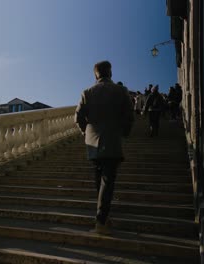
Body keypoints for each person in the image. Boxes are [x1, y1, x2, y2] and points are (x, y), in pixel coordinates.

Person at [75, 61, 134, 235]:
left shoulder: (87, 92)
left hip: (92, 142)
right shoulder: (121, 91)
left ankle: (103, 214)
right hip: (112, 140)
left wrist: (85, 131)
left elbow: (78, 117)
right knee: (107, 180)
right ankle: (101, 221)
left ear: (95, 74)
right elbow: (129, 116)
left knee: (100, 177)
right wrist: (125, 132)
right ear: (110, 73)